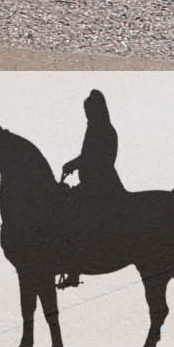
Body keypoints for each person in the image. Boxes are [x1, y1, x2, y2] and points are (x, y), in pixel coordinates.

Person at [55, 89, 122, 288]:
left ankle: (74, 267)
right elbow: (88, 156)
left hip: (100, 184)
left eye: (89, 113)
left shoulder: (103, 131)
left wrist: (74, 164)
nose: (87, 117)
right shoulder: (96, 129)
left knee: (73, 216)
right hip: (92, 182)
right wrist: (76, 164)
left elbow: (96, 158)